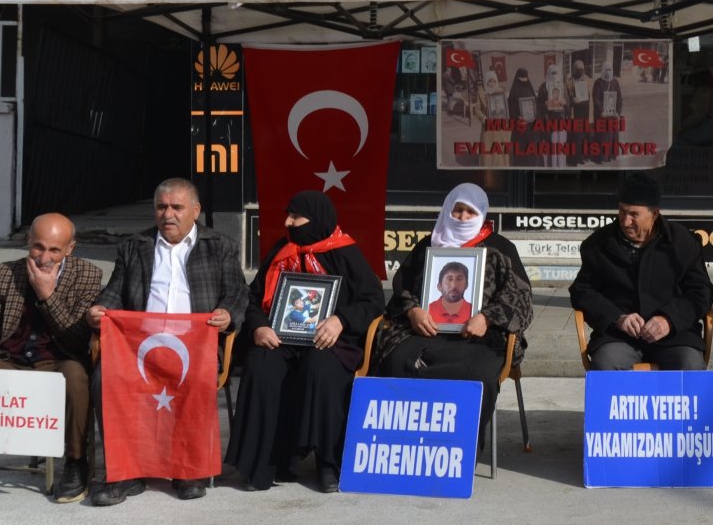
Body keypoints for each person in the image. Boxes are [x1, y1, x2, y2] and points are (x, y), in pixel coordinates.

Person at [85, 178, 250, 506]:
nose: (168, 214)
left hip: (195, 349)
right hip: (138, 349)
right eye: (162, 207)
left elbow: (237, 292)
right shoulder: (135, 246)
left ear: (195, 210)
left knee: (195, 380)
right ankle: (125, 474)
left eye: (177, 207)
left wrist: (227, 314)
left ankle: (188, 471)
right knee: (105, 378)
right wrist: (101, 308)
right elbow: (116, 290)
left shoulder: (220, 245)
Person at [0, 214, 101, 513]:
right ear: (28, 242)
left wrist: (47, 294)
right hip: (13, 358)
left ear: (70, 249)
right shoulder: (5, 273)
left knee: (77, 377)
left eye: (55, 250)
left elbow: (78, 339)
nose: (45, 257)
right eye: (38, 247)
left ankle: (76, 462)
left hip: (58, 358)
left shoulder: (88, 275)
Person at [225, 191, 384, 492]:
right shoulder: (280, 251)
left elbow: (373, 300)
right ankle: (265, 463)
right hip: (280, 337)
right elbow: (254, 298)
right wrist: (258, 327)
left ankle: (328, 463)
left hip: (331, 340)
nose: (288, 222)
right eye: (289, 215)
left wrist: (341, 320)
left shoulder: (346, 252)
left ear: (317, 219)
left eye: (296, 217)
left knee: (320, 367)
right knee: (260, 365)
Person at [373, 183, 532, 449]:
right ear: (447, 209)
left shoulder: (500, 248)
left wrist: (487, 318)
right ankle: (403, 444)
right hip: (426, 332)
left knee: (478, 373)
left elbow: (521, 298)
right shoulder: (428, 245)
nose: (462, 218)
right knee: (398, 359)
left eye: (470, 212)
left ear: (481, 213)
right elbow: (402, 285)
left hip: (480, 337)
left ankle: (459, 449)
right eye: (457, 210)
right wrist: (413, 311)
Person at [570, 173, 713, 370]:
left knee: (690, 365)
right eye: (622, 212)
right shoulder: (599, 244)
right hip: (619, 337)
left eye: (634, 214)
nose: (625, 221)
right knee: (606, 364)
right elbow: (582, 292)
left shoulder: (682, 243)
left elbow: (702, 292)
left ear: (654, 214)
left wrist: (669, 320)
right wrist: (617, 318)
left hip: (674, 336)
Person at [591, 65, 624, 163]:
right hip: (602, 116)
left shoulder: (615, 82)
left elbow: (619, 98)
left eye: (610, 70)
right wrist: (601, 111)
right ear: (603, 70)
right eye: (607, 70)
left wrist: (618, 111)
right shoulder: (598, 82)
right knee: (603, 136)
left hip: (612, 115)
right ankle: (601, 158)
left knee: (612, 136)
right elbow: (595, 98)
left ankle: (611, 155)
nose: (608, 72)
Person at [427, 260, 473, 326]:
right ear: (439, 286)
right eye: (449, 279)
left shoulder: (474, 312)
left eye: (459, 279)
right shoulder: (427, 310)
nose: (453, 285)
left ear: (466, 285)